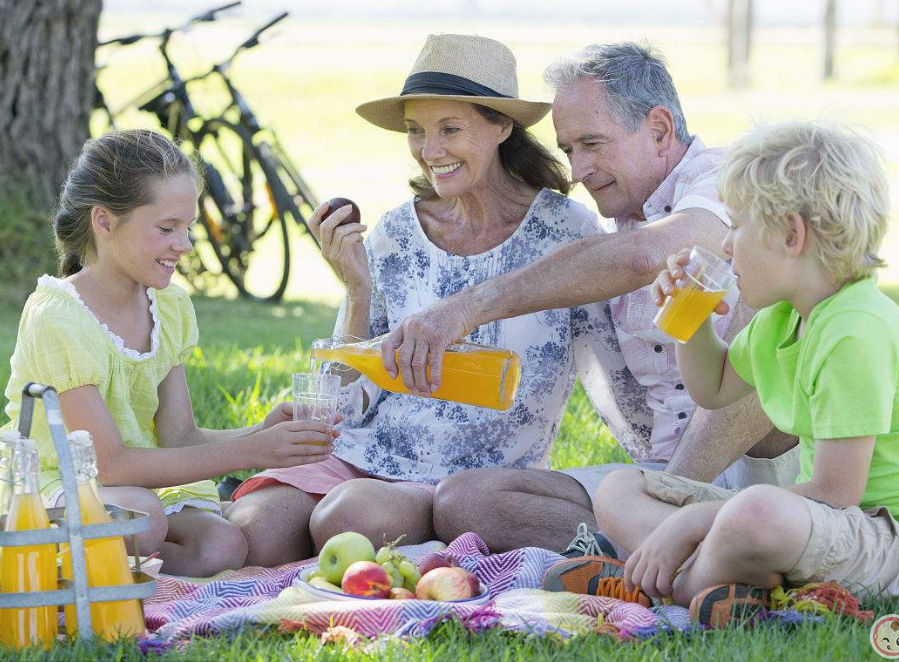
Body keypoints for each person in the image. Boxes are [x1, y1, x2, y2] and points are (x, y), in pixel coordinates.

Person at [225, 34, 649, 565]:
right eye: (416, 131)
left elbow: (613, 383)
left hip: (464, 480)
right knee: (252, 532)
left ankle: (429, 534)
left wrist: (673, 480)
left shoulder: (566, 234)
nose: (430, 152)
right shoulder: (396, 233)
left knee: (346, 519)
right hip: (358, 454)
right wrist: (357, 290)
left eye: (450, 129)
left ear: (500, 127)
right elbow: (343, 400)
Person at [545, 121, 899, 620]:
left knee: (753, 511)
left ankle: (664, 586)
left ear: (792, 235)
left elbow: (837, 492)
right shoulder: (783, 319)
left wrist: (700, 518)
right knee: (623, 489)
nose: (726, 246)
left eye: (739, 226)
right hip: (825, 527)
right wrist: (691, 323)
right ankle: (721, 587)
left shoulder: (854, 330)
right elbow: (713, 388)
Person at [390, 42, 798, 554]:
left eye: (592, 144)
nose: (578, 170)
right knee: (467, 500)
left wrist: (467, 307)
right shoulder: (612, 227)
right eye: (568, 151)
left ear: (659, 130)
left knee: (763, 325)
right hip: (662, 475)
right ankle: (658, 553)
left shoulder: (728, 180)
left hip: (769, 470)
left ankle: (677, 538)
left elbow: (647, 256)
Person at [0, 130, 339, 577]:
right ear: (104, 223)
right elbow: (110, 465)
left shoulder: (168, 305)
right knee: (142, 519)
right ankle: (29, 559)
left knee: (223, 545)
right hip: (50, 485)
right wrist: (252, 451)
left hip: (128, 489)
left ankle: (116, 578)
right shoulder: (58, 318)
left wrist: (260, 433)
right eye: (166, 229)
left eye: (188, 228)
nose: (184, 244)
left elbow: (180, 437)